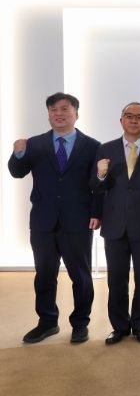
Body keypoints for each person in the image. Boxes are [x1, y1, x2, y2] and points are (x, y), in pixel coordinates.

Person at [8, 92, 101, 344]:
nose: (58, 114)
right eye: (53, 110)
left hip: (78, 221)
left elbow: (98, 185)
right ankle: (47, 322)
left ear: (76, 113)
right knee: (44, 275)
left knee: (80, 276)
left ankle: (80, 323)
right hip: (43, 221)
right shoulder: (34, 143)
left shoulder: (93, 146)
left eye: (64, 109)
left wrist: (97, 213)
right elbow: (17, 172)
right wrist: (18, 153)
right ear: (48, 114)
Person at [92, 102, 140, 344]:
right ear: (121, 120)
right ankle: (119, 327)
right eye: (129, 116)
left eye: (139, 117)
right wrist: (101, 175)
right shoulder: (105, 149)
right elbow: (96, 188)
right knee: (116, 278)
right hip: (114, 223)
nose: (134, 120)